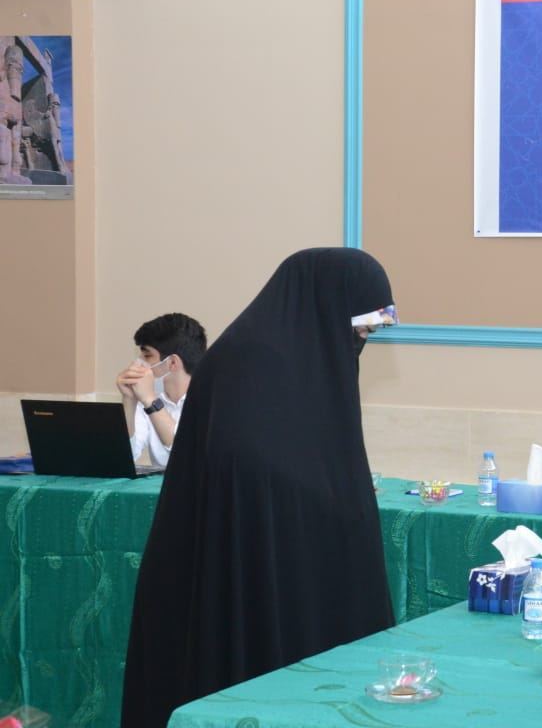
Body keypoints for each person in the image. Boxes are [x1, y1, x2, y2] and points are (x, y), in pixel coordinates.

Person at [122, 248, 398, 728]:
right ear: (327, 306)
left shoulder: (307, 363)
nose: (359, 343)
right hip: (254, 566)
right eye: (359, 329)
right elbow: (248, 468)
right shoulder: (249, 361)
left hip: (294, 559)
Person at [115, 313, 207, 468]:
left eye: (147, 356)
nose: (138, 364)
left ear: (172, 363)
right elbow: (125, 454)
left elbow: (183, 449)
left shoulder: (212, 401)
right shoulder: (147, 397)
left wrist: (151, 401)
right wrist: (129, 400)